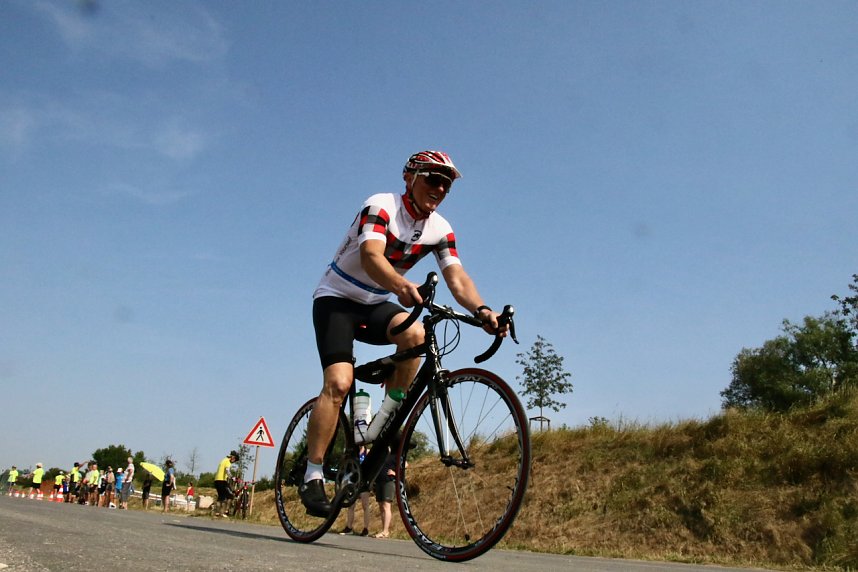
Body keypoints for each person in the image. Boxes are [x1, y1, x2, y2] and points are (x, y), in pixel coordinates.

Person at [299, 150, 508, 517]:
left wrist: (483, 311)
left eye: (447, 183)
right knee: (340, 382)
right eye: (432, 178)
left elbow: (457, 278)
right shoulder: (380, 205)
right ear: (410, 177)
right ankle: (313, 473)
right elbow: (371, 257)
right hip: (337, 298)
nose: (440, 188)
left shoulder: (440, 229)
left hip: (377, 301)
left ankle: (385, 420)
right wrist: (400, 285)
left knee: (415, 335)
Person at [338, 447, 370, 536]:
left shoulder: (367, 452)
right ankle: (349, 527)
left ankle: (366, 528)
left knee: (365, 505)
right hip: (353, 481)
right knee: (351, 505)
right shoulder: (351, 451)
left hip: (364, 480)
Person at [373, 449, 397, 539]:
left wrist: (395, 473)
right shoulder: (381, 454)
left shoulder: (394, 455)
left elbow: (405, 465)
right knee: (381, 506)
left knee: (386, 505)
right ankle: (384, 530)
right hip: (379, 482)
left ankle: (385, 531)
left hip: (388, 482)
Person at [213, 451, 237, 517]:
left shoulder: (223, 460)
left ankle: (217, 512)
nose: (234, 462)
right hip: (222, 481)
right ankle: (225, 512)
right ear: (233, 458)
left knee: (221, 496)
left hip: (216, 480)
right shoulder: (228, 462)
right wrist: (232, 477)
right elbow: (227, 471)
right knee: (230, 495)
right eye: (234, 460)